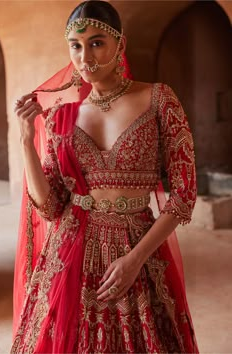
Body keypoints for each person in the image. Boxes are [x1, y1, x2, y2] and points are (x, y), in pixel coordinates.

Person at [11, 1, 199, 353]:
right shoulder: (61, 117)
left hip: (136, 247)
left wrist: (135, 259)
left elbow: (184, 195)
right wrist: (25, 140)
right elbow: (50, 207)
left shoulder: (158, 100)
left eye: (97, 42)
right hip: (69, 251)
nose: (85, 56)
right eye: (76, 46)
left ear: (121, 45)